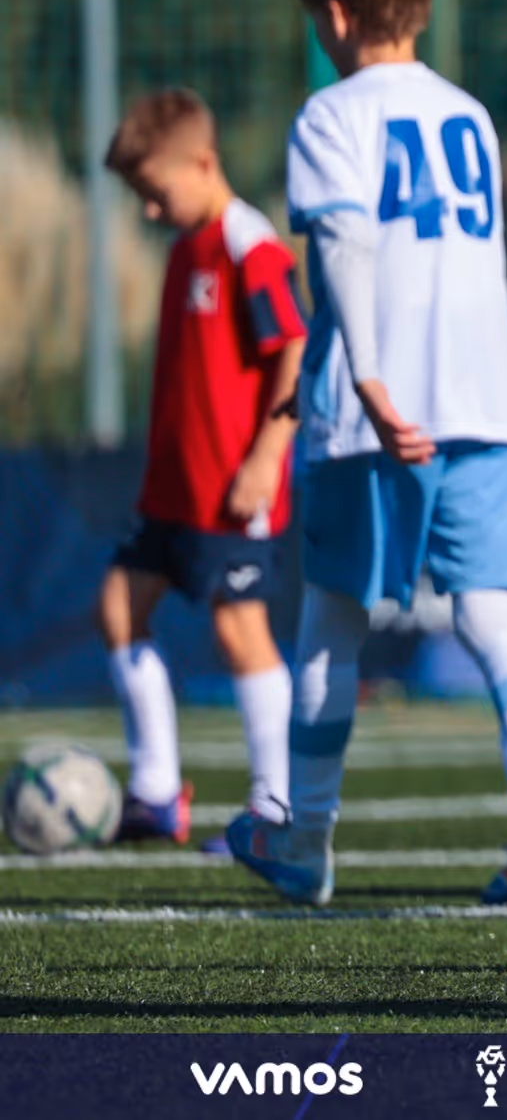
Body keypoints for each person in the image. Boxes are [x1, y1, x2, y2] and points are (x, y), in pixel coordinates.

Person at [229, 0, 507, 908]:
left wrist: (369, 378)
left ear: (339, 15)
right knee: (493, 613)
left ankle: (305, 842)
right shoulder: (471, 114)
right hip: (483, 399)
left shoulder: (330, 114)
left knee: (330, 623)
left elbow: (346, 246)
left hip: (373, 412)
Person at [95, 89, 303, 847]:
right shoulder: (185, 247)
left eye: (157, 192)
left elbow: (294, 346)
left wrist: (267, 455)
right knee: (119, 608)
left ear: (204, 163)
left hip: (232, 487)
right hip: (174, 489)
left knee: (239, 628)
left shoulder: (250, 244)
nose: (151, 210)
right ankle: (156, 792)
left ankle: (277, 806)